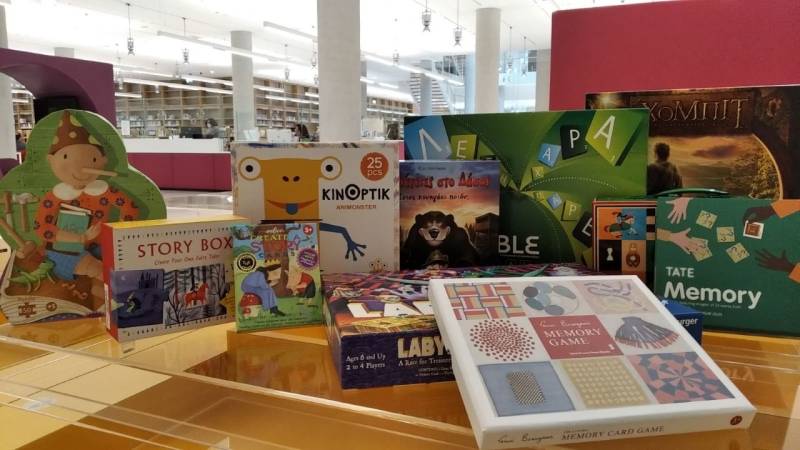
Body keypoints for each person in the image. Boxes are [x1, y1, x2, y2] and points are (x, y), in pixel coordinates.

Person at [34, 111, 140, 307]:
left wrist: (114, 233)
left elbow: (130, 208)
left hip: (100, 245)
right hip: (65, 249)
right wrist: (79, 238)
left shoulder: (104, 190)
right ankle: (127, 304)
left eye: (92, 160)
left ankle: (106, 309)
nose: (79, 169)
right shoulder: (55, 196)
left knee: (113, 268)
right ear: (51, 160)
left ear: (102, 161)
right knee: (99, 270)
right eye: (66, 157)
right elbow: (41, 227)